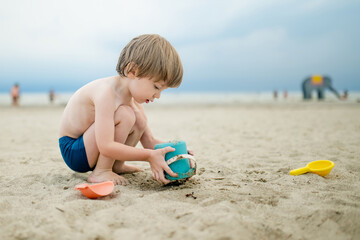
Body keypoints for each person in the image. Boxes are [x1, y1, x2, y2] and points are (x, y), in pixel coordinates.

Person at [59, 34, 193, 186]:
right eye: (156, 87)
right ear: (132, 71)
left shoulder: (133, 100)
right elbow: (106, 145)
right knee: (126, 115)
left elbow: (149, 141)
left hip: (90, 147)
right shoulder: (106, 93)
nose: (158, 95)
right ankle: (101, 171)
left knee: (138, 118)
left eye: (162, 90)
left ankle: (116, 165)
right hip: (74, 150)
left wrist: (177, 153)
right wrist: (149, 156)